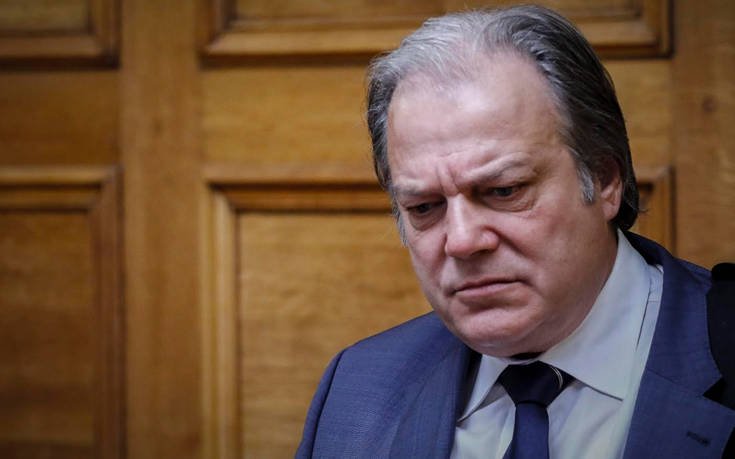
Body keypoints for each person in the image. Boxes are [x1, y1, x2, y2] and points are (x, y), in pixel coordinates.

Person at [296, 5, 735, 458]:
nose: (462, 241)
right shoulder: (357, 390)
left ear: (605, 180)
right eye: (424, 207)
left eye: (504, 191)